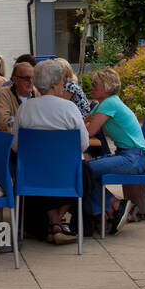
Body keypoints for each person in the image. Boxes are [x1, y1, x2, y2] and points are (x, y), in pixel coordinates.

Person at [13, 59, 87, 244]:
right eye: (62, 79)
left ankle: (53, 220)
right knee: (87, 173)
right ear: (54, 82)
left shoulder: (24, 109)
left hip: (33, 177)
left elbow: (15, 146)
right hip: (66, 175)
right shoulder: (69, 108)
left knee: (32, 174)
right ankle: (58, 219)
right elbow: (83, 144)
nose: (65, 83)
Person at [83, 67, 145, 235]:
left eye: (95, 84)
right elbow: (84, 123)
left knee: (84, 170)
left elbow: (89, 132)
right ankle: (113, 206)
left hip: (133, 157)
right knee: (85, 171)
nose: (92, 87)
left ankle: (109, 210)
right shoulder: (103, 104)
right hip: (128, 155)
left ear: (107, 86)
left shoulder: (110, 103)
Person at [0, 56, 35, 132]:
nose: (31, 82)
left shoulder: (37, 93)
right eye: (26, 78)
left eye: (33, 78)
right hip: (12, 141)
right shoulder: (4, 93)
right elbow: (2, 123)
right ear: (15, 79)